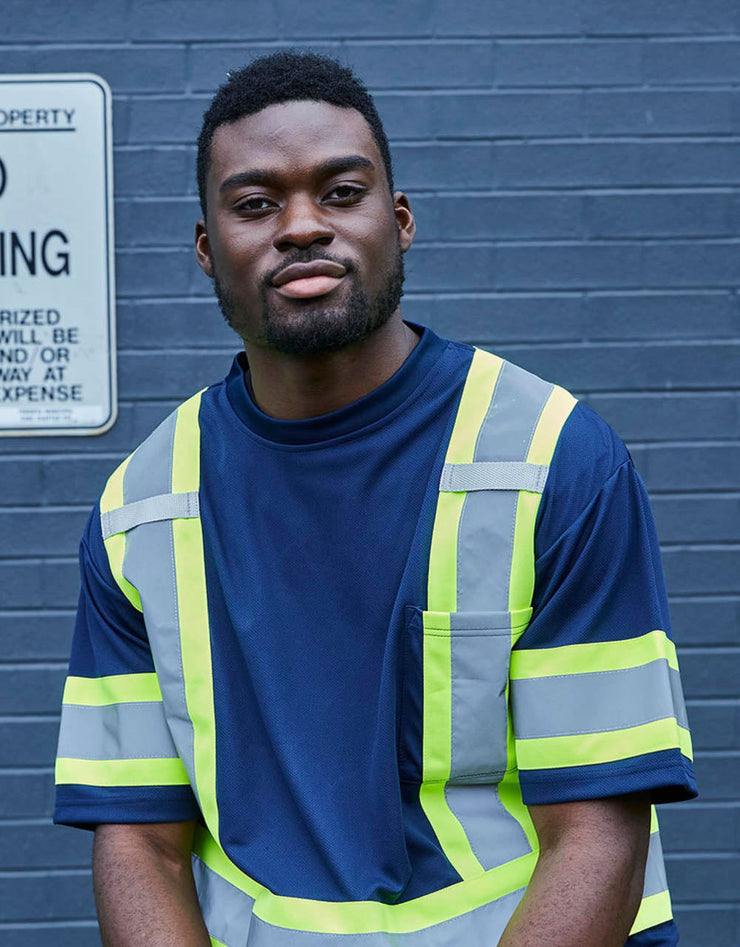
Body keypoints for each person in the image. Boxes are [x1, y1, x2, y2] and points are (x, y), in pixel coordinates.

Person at [54, 51, 696, 946]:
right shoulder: (141, 506)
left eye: (341, 192)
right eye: (255, 204)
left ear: (399, 222)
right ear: (207, 248)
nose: (302, 226)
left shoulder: (553, 457)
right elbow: (139, 844)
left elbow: (600, 826)